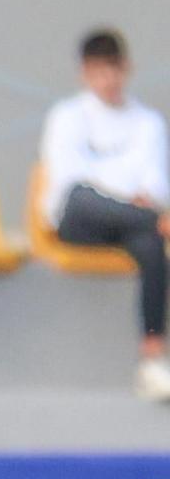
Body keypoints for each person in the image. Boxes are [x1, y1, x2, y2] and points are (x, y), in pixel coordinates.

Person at [40, 28, 170, 402]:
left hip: (132, 222)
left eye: (114, 70)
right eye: (99, 72)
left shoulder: (149, 124)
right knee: (84, 198)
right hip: (78, 219)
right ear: (84, 73)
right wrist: (135, 204)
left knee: (151, 244)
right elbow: (70, 186)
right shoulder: (67, 116)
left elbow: (156, 185)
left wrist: (138, 208)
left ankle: (152, 356)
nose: (108, 81)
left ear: (127, 68)